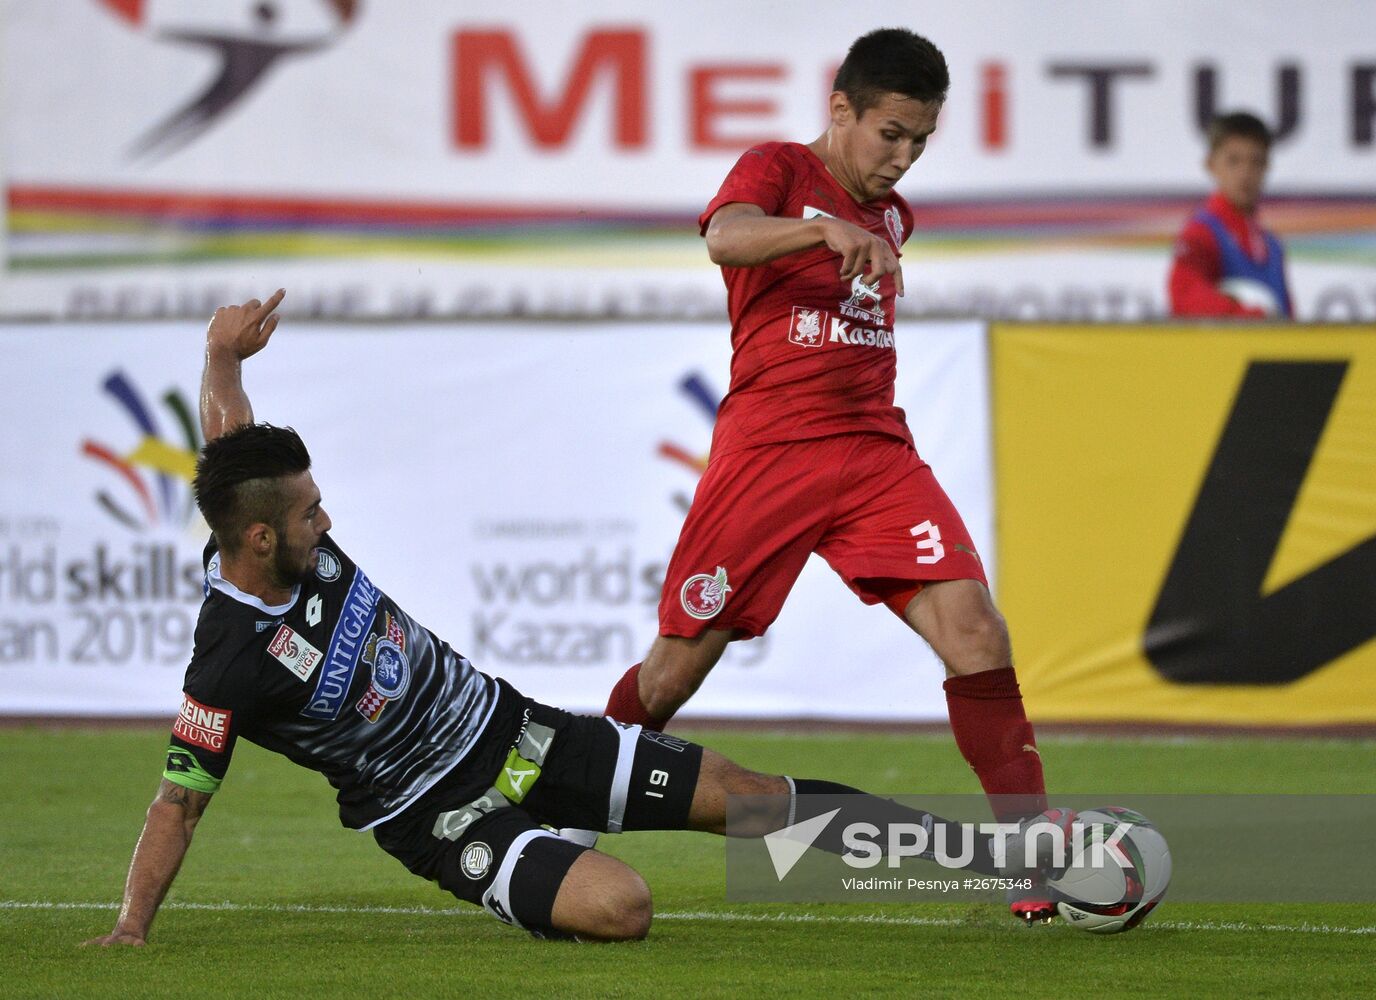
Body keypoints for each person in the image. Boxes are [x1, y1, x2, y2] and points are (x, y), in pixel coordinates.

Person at [83, 292, 1047, 948]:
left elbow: (227, 447)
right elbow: (179, 802)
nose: (325, 523)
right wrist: (132, 928)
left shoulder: (264, 516)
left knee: (753, 797)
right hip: (435, 810)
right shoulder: (227, 669)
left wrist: (219, 355)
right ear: (258, 541)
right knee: (623, 909)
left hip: (514, 730)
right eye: (306, 516)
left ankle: (985, 858)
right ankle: (539, 862)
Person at [590, 29, 1051, 920]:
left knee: (978, 635)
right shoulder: (777, 168)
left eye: (920, 141)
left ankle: (1034, 866)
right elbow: (724, 240)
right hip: (770, 453)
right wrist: (818, 225)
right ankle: (564, 805)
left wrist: (853, 228)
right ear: (841, 109)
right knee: (673, 674)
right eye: (891, 134)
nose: (904, 158)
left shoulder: (894, 216)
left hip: (875, 451)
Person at [1168, 111, 1293, 318]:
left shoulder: (1272, 244)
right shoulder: (1201, 232)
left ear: (1267, 166)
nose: (1245, 173)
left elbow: (1287, 316)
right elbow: (1184, 293)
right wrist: (1247, 317)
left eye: (1256, 161)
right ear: (1211, 165)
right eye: (1233, 161)